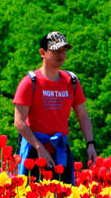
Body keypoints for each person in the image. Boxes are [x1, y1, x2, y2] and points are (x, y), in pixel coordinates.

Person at [12, 31, 96, 182]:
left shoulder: (71, 81)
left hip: (61, 150)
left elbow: (82, 115)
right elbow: (19, 121)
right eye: (55, 50)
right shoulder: (30, 82)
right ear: (42, 52)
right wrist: (40, 149)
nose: (61, 55)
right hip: (34, 151)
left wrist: (90, 144)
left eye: (64, 50)